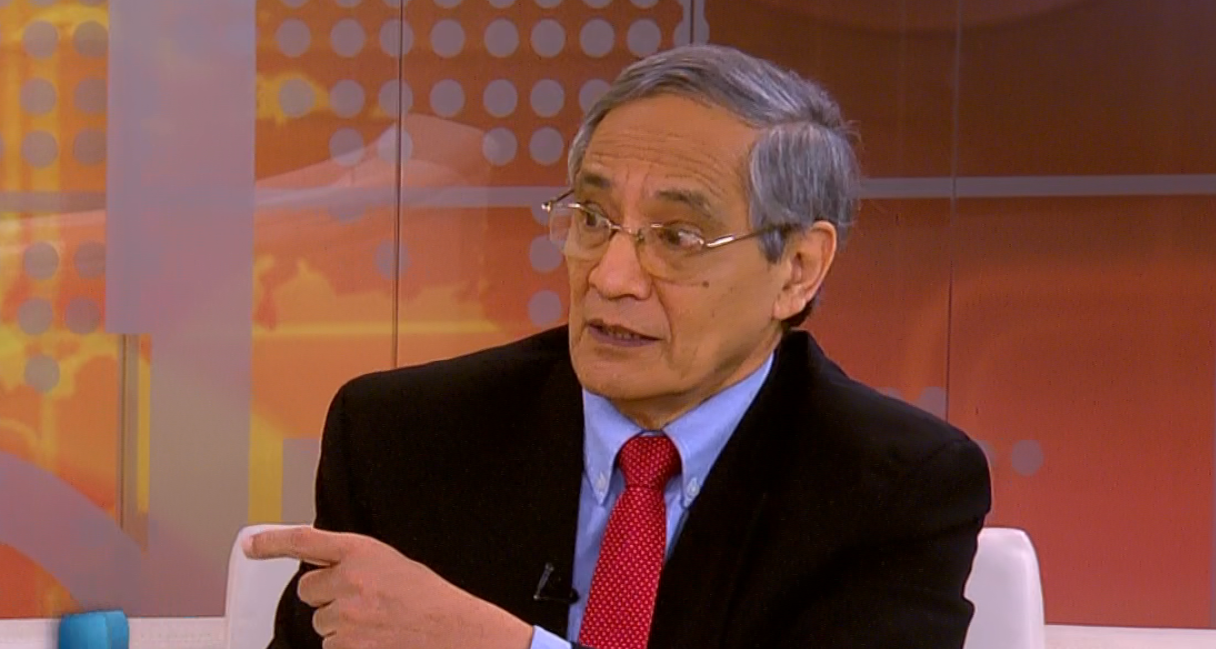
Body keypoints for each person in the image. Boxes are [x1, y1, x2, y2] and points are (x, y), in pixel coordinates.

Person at [246, 43, 992, 649]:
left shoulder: (892, 486)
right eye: (593, 220)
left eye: (677, 237)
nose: (610, 276)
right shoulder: (401, 436)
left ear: (796, 269)